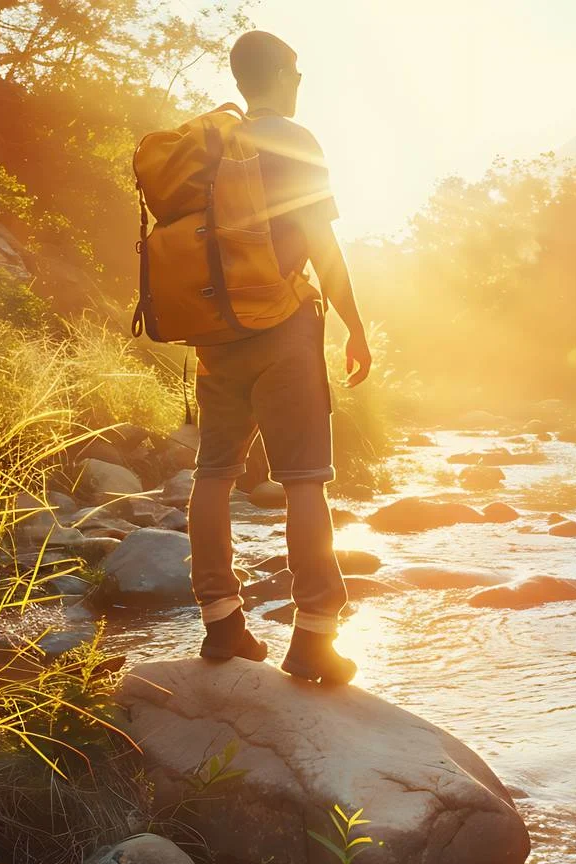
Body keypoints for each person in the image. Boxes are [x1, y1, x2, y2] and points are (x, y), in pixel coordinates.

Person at [187, 30, 371, 685]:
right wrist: (355, 325)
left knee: (214, 473)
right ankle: (315, 635)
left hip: (216, 335)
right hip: (284, 329)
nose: (301, 82)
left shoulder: (211, 146)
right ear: (283, 73)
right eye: (298, 70)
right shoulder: (294, 139)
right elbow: (323, 243)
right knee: (302, 479)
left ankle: (221, 622)